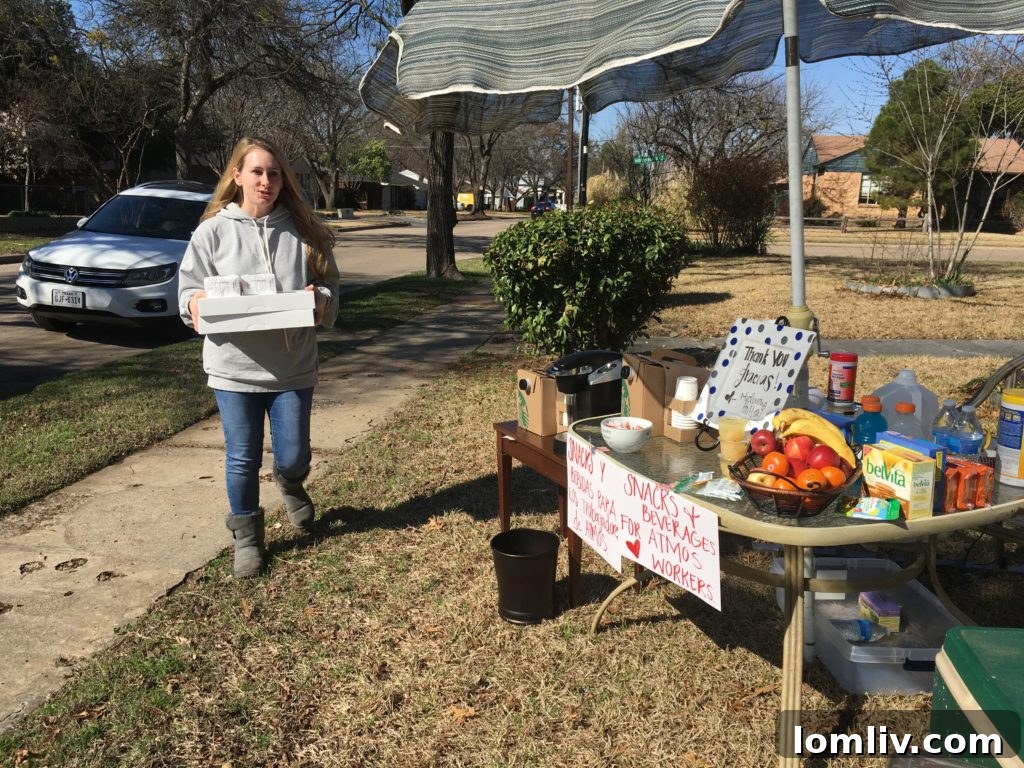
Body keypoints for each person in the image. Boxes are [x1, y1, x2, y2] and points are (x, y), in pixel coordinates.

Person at [178, 137, 340, 579]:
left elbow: (331, 288)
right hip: (233, 368)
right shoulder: (213, 231)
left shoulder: (304, 232)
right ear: (237, 176)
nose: (266, 181)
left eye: (274, 173)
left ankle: (290, 482)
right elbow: (187, 289)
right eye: (257, 172)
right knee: (241, 458)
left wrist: (321, 298)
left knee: (292, 454)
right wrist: (195, 305)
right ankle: (248, 538)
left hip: (292, 368)